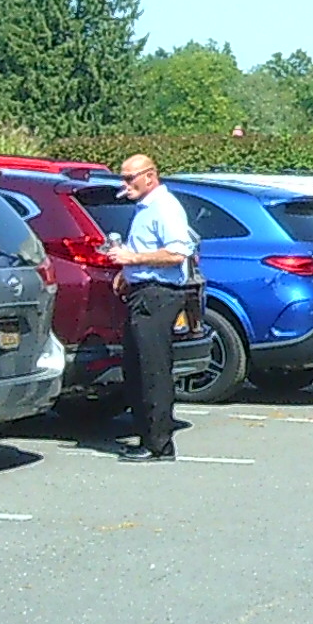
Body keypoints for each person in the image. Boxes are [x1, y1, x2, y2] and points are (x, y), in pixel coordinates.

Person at [107, 153, 196, 461]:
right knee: (135, 369)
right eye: (123, 177)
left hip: (158, 296)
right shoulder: (145, 209)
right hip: (142, 291)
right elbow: (147, 250)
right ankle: (147, 436)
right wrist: (126, 271)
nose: (125, 184)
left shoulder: (164, 207)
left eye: (129, 178)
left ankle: (159, 444)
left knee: (153, 370)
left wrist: (133, 260)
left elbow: (177, 252)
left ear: (150, 176)